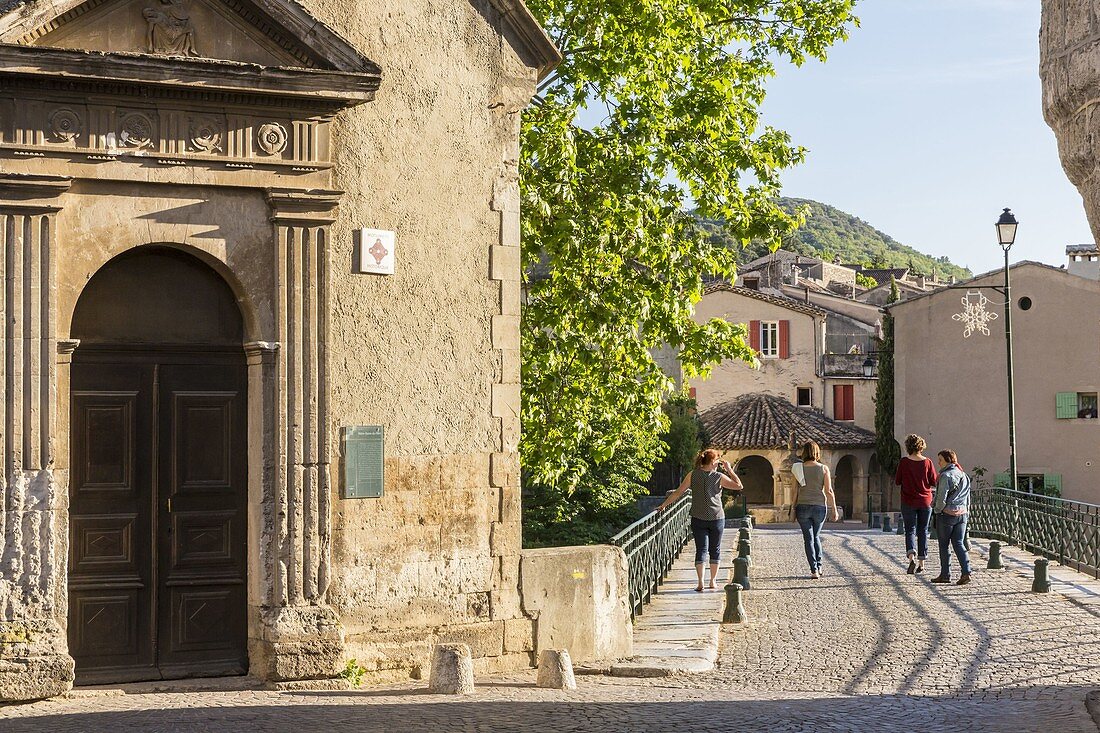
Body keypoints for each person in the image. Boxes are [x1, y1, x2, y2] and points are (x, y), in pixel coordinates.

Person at [657, 449, 744, 591]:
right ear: (712, 462)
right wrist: (729, 469)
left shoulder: (692, 475)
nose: (719, 463)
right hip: (716, 517)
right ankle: (713, 581)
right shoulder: (718, 476)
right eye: (717, 460)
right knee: (715, 549)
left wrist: (663, 505)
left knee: (701, 549)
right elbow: (739, 485)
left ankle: (700, 582)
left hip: (698, 517)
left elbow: (679, 492)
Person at [794, 441, 840, 580]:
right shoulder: (824, 469)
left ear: (804, 453)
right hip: (819, 506)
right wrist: (834, 509)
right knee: (816, 537)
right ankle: (819, 566)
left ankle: (813, 570)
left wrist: (792, 507)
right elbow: (829, 490)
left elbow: (794, 490)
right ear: (817, 453)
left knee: (808, 539)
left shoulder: (797, 468)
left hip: (802, 506)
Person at [895, 434, 938, 575]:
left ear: (908, 446)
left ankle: (911, 557)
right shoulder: (928, 462)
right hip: (925, 501)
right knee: (923, 530)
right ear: (921, 446)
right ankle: (921, 563)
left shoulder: (904, 462)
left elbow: (898, 480)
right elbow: (934, 481)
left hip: (908, 501)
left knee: (910, 530)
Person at [930, 450, 972, 585]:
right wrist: (967, 512)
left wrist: (936, 510)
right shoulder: (963, 475)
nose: (938, 462)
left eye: (940, 460)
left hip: (946, 514)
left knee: (943, 545)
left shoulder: (945, 476)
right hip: (962, 514)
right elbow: (968, 498)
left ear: (948, 460)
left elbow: (941, 498)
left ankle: (945, 574)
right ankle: (966, 572)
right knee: (959, 543)